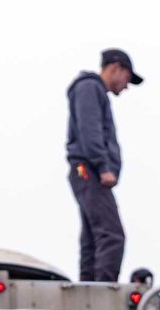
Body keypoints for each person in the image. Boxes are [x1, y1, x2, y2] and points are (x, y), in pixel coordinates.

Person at [65, 50, 141, 283]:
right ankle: (104, 291)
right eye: (127, 78)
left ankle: (88, 289)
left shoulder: (92, 90)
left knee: (92, 236)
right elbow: (90, 129)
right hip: (88, 168)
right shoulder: (90, 88)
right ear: (116, 68)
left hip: (86, 169)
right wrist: (103, 166)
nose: (126, 86)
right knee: (112, 234)